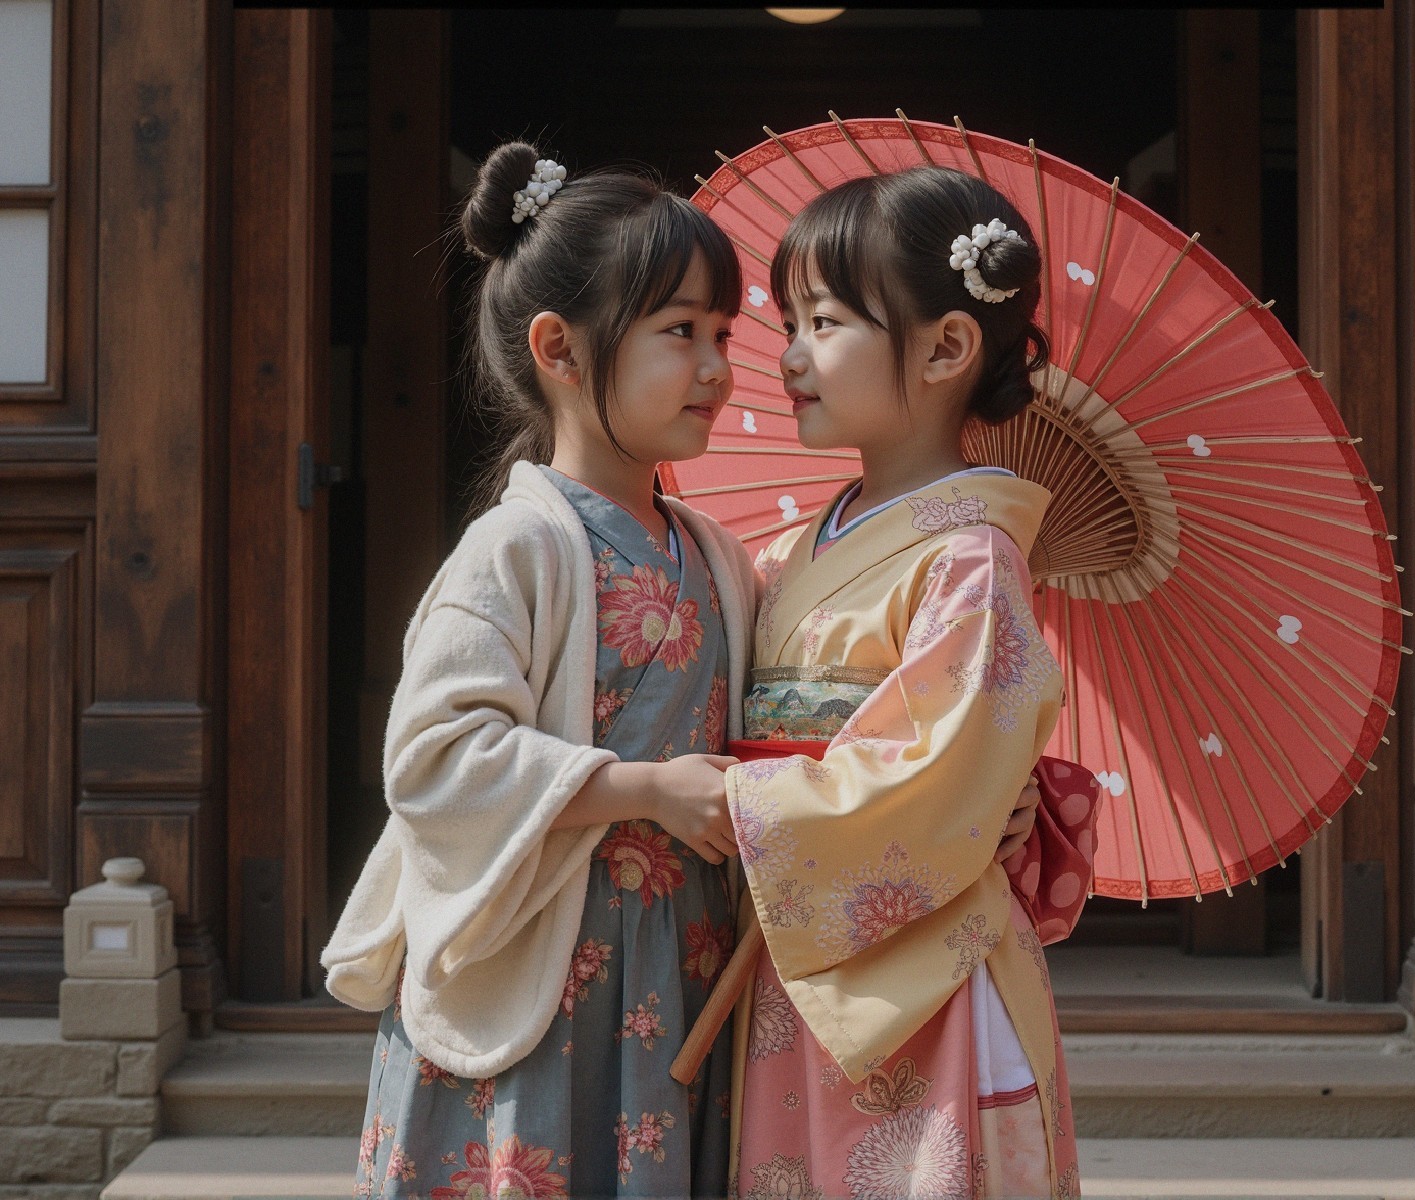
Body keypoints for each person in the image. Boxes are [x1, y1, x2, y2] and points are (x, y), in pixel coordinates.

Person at [321, 143, 1044, 1199]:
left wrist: (984, 793)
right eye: (680, 335)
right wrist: (644, 788)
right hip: (555, 967)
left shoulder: (719, 556)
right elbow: (434, 761)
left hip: (693, 961)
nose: (723, 366)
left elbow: (861, 735)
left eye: (722, 333)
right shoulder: (514, 550)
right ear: (561, 349)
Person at [724, 166, 1081, 1198]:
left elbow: (930, 782)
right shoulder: (796, 548)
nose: (789, 355)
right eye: (789, 321)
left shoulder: (970, 558)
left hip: (925, 976)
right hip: (804, 944)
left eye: (824, 321)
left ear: (945, 346)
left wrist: (730, 797)